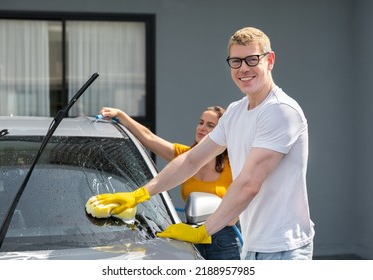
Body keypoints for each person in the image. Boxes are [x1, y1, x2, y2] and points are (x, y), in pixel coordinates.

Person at [88, 26, 315, 260]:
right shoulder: (236, 112)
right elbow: (192, 159)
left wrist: (204, 231)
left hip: (284, 249)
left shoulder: (280, 111)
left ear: (270, 60)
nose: (243, 68)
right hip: (253, 246)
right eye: (236, 61)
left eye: (252, 59)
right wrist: (140, 195)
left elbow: (249, 183)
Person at [97, 105, 242, 260]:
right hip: (190, 232)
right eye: (201, 122)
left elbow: (242, 200)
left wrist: (206, 230)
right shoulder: (185, 156)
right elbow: (149, 138)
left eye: (210, 125)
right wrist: (121, 115)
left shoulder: (234, 162)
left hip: (225, 236)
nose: (202, 128)